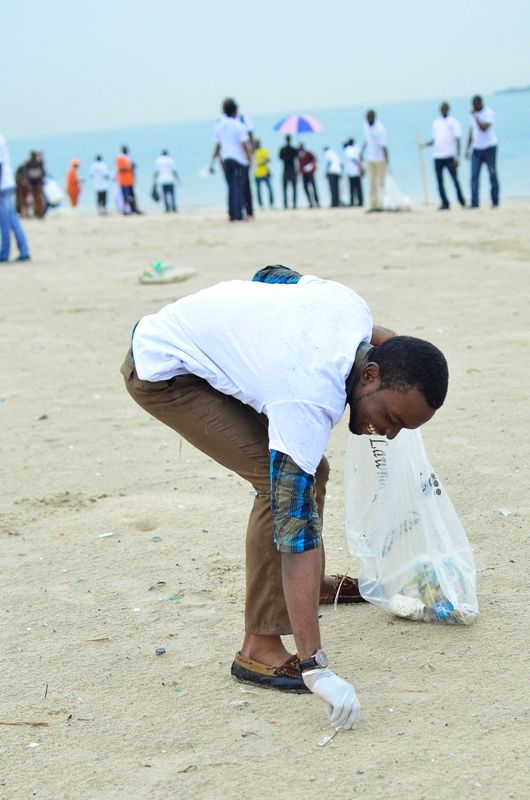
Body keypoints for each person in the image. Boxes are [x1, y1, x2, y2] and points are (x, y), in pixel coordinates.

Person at [121, 263, 448, 729]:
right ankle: (259, 648)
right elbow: (294, 529)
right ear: (370, 373)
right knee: (277, 492)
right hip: (162, 371)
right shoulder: (308, 398)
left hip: (191, 340)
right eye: (392, 418)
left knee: (307, 475)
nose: (390, 434)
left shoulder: (353, 312)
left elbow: (271, 274)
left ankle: (307, 590)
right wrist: (316, 665)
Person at [210, 98, 252, 222]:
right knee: (238, 187)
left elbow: (217, 146)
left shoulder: (218, 126)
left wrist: (212, 163)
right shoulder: (239, 125)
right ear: (235, 111)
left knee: (230, 187)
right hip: (238, 159)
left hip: (225, 159)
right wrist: (249, 158)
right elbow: (244, 144)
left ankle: (232, 214)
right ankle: (238, 214)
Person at [421, 103, 466, 210]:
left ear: (448, 109)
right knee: (439, 182)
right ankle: (445, 203)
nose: (443, 111)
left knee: (455, 180)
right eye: (441, 109)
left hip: (450, 156)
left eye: (445, 109)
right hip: (438, 156)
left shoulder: (454, 122)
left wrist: (457, 157)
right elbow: (436, 139)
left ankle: (462, 201)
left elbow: (458, 140)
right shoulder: (436, 123)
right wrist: (425, 144)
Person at [0, 133, 31, 263]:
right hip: (8, 183)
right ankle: (24, 251)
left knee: (4, 221)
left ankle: (4, 253)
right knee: (12, 219)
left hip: (3, 185)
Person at [466, 95, 499, 208]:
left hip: (489, 147)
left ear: (480, 103)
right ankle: (475, 203)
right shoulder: (472, 115)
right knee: (474, 176)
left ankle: (495, 202)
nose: (473, 107)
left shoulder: (489, 113)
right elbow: (472, 130)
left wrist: (476, 117)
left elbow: (483, 128)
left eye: (475, 104)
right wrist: (468, 148)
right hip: (477, 148)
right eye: (472, 105)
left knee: (492, 174)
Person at [361, 110, 388, 211]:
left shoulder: (380, 129)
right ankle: (373, 205)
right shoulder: (365, 126)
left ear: (374, 117)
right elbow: (366, 141)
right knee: (371, 183)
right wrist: (361, 152)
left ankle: (382, 204)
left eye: (370, 117)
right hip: (370, 158)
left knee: (381, 183)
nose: (368, 119)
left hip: (380, 159)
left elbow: (384, 146)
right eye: (367, 117)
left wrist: (386, 162)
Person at [116, 146, 142, 214]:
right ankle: (125, 210)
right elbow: (121, 169)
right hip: (123, 181)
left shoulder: (129, 158)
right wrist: (129, 168)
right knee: (126, 196)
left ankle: (134, 208)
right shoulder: (120, 158)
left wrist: (131, 168)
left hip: (130, 180)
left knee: (132, 195)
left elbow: (134, 166)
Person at [23, 151, 46, 218]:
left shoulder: (34, 163)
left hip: (34, 184)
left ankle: (38, 212)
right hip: (34, 184)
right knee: (35, 199)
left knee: (35, 199)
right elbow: (43, 173)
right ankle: (36, 212)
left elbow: (43, 173)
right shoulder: (36, 163)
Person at [278, 135, 298, 209]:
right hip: (292, 170)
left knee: (285, 188)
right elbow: (297, 156)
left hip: (286, 170)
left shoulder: (283, 149)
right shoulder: (294, 149)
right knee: (294, 188)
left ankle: (286, 204)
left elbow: (280, 157)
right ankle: (294, 204)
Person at [253, 139, 274, 208]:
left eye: (257, 143)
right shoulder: (253, 152)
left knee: (269, 188)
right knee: (258, 190)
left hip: (265, 172)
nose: (256, 144)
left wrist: (261, 163)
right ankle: (261, 205)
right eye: (255, 143)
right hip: (256, 174)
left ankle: (271, 203)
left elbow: (268, 159)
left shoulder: (264, 150)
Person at [343, 138, 364, 207]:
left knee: (352, 188)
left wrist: (359, 166)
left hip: (352, 171)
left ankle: (352, 201)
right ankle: (360, 202)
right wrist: (361, 167)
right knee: (358, 187)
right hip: (358, 170)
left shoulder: (348, 149)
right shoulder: (357, 148)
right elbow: (361, 157)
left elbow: (353, 159)